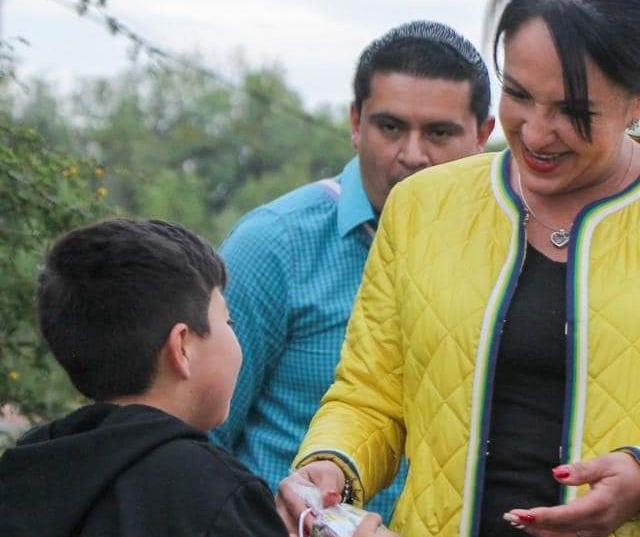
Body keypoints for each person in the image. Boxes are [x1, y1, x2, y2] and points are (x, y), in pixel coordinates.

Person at [277, 0, 640, 537]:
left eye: (574, 110)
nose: (537, 133)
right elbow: (370, 395)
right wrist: (330, 463)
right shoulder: (425, 205)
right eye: (517, 94)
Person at [210, 20, 495, 519]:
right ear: (355, 124)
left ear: (483, 136)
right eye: (390, 127)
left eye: (439, 133)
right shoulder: (274, 247)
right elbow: (199, 440)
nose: (412, 155)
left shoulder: (512, 251)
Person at [0, 218, 386, 537]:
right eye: (228, 321)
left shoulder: (32, 464)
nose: (237, 339)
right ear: (182, 347)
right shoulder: (212, 493)